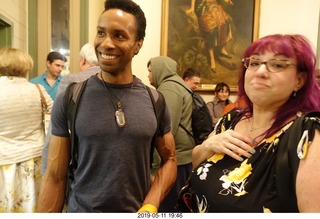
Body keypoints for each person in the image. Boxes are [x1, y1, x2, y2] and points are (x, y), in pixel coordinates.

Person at [37, 0, 177, 213]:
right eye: (101, 33)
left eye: (119, 35)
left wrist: (150, 204)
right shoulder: (72, 97)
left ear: (138, 44)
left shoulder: (154, 100)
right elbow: (55, 176)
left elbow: (170, 160)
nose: (106, 43)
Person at [183, 34, 320, 212]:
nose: (261, 71)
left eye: (277, 64)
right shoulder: (231, 119)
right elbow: (196, 162)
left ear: (299, 80)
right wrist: (209, 145)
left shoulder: (307, 134)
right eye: (254, 63)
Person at [0, 48, 53, 212]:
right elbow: (56, 118)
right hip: (34, 161)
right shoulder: (37, 90)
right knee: (32, 207)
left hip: (3, 162)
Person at [41, 42, 100, 175]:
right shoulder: (116, 80)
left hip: (78, 161)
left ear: (83, 60)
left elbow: (55, 129)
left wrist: (46, 170)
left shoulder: (71, 81)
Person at [148, 56, 194, 212]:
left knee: (167, 207)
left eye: (150, 71)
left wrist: (154, 169)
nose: (148, 76)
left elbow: (166, 131)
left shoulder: (169, 89)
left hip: (175, 160)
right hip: (182, 157)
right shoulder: (178, 85)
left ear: (159, 70)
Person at [186, 0, 235, 73]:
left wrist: (226, 0)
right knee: (212, 31)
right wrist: (192, 8)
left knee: (226, 22)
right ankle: (212, 58)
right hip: (203, 8)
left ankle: (222, 48)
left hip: (215, 7)